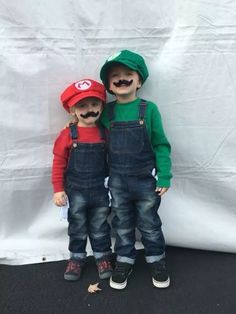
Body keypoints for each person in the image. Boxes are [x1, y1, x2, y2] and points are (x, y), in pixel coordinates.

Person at [99, 50, 172, 290]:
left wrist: (164, 175)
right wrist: (74, 124)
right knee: (121, 222)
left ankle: (156, 259)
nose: (122, 78)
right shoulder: (106, 113)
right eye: (115, 76)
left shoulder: (148, 109)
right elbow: (92, 132)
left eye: (128, 74)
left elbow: (160, 144)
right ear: (109, 84)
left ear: (139, 80)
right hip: (117, 182)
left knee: (150, 223)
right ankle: (124, 259)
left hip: (145, 181)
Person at [52, 79, 112, 281]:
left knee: (100, 226)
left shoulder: (106, 133)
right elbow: (59, 162)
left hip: (100, 191)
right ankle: (76, 258)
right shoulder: (68, 134)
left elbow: (114, 159)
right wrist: (58, 189)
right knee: (76, 226)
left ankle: (102, 256)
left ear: (102, 106)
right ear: (72, 110)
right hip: (75, 191)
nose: (89, 110)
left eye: (94, 104)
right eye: (82, 105)